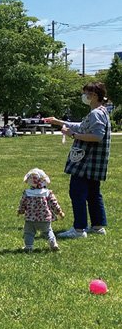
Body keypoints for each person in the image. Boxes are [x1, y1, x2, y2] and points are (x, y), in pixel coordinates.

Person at [45, 82, 111, 238]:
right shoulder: (101, 112)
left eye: (86, 93)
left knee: (77, 192)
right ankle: (97, 226)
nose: (84, 96)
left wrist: (72, 135)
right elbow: (82, 125)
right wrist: (58, 122)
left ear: (94, 95)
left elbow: (96, 136)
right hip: (94, 164)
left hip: (86, 162)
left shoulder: (96, 113)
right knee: (94, 194)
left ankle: (79, 229)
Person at [17, 168, 65, 252]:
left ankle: (28, 246)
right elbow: (54, 203)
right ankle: (53, 244)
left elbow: (23, 203)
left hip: (30, 219)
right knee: (48, 231)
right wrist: (59, 212)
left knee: (29, 233)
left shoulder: (27, 193)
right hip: (45, 218)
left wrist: (20, 211)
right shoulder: (47, 192)